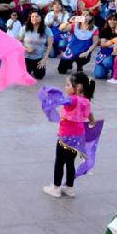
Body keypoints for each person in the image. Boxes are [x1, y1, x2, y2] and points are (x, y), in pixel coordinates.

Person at [43, 71, 96, 199]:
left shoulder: (72, 100)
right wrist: (92, 122)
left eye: (68, 85)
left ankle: (56, 188)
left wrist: (49, 92)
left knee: (59, 162)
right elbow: (89, 114)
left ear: (77, 87)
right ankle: (70, 188)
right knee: (70, 162)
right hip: (78, 138)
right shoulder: (85, 101)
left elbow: (61, 100)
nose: (65, 87)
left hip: (65, 138)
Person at [22, 10, 53, 80]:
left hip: (39, 58)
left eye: (37, 16)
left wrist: (44, 59)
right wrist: (26, 49)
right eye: (32, 16)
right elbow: (17, 42)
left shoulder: (47, 30)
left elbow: (50, 45)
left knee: (40, 76)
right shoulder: (24, 28)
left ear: (41, 18)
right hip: (26, 57)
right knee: (25, 76)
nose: (34, 18)